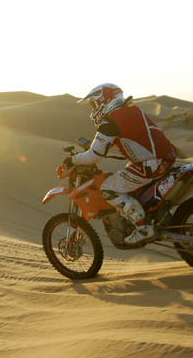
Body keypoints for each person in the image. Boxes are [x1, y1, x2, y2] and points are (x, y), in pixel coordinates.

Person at [65, 83, 176, 244]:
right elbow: (131, 139)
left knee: (108, 188)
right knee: (125, 179)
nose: (93, 110)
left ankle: (143, 228)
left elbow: (92, 157)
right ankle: (151, 215)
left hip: (151, 164)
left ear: (104, 101)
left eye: (94, 105)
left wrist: (72, 159)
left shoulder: (110, 122)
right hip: (164, 157)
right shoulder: (129, 110)